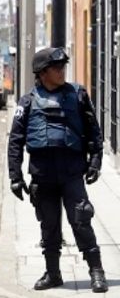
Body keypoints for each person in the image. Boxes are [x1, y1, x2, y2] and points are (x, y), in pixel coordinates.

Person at [7, 47, 108, 293]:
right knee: (49, 226)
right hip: (42, 174)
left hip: (72, 172)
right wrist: (15, 177)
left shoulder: (78, 94)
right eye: (56, 68)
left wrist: (95, 160)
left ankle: (97, 272)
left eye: (63, 66)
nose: (62, 71)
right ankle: (53, 274)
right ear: (42, 73)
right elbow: (15, 141)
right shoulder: (27, 101)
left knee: (81, 220)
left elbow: (94, 131)